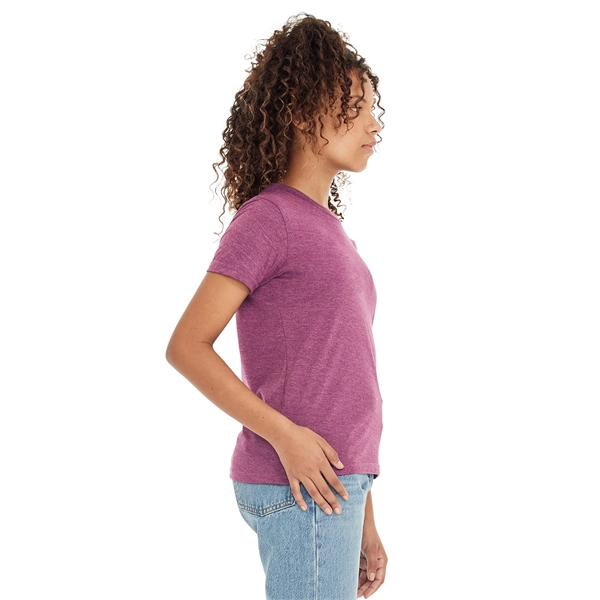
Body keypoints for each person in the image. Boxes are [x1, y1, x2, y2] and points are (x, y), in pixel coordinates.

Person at [166, 13, 387, 600]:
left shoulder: (329, 231)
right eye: (356, 106)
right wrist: (286, 437)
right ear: (305, 112)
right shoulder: (269, 219)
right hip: (300, 486)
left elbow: (345, 381)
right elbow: (186, 346)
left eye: (374, 108)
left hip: (334, 488)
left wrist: (365, 515)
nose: (374, 124)